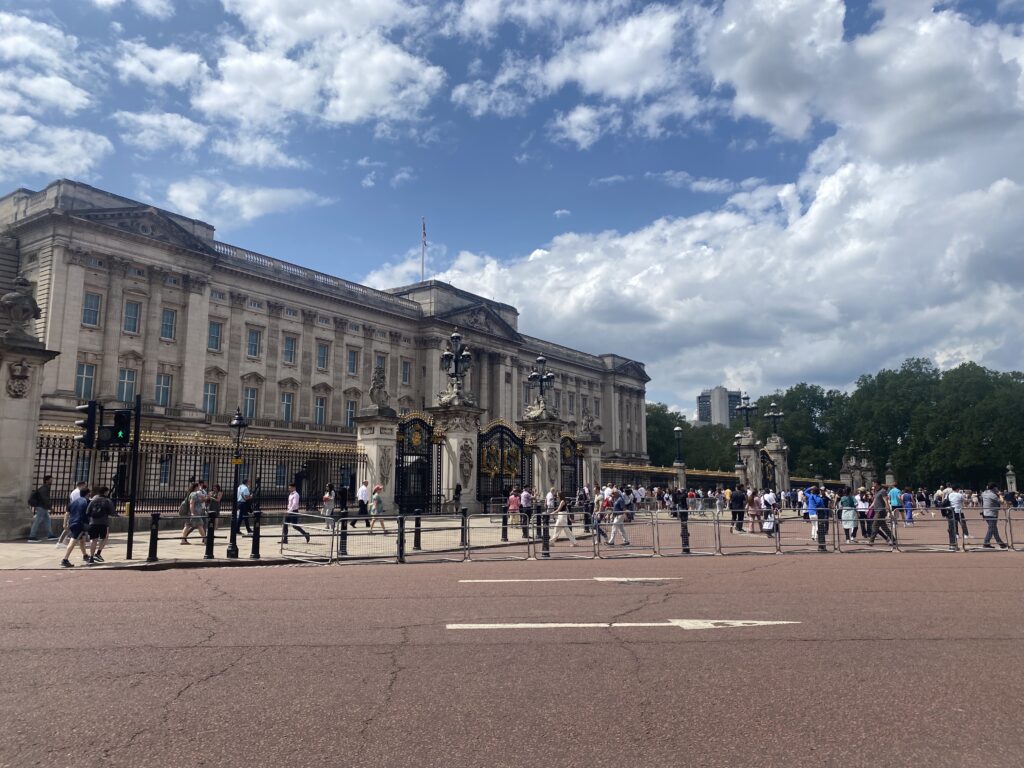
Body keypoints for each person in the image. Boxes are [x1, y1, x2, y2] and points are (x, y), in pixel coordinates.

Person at [61, 487, 92, 567]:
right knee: (73, 541)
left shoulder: (73, 502)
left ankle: (85, 555)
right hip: (80, 523)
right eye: (89, 493)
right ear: (88, 494)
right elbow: (89, 513)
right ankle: (65, 559)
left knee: (82, 540)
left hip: (72, 522)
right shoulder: (87, 502)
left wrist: (65, 524)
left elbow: (67, 513)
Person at [85, 486, 116, 563]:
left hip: (93, 522)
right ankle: (98, 553)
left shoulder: (93, 500)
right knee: (104, 538)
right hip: (103, 522)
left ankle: (91, 557)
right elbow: (112, 512)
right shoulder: (107, 501)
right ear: (106, 492)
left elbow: (87, 512)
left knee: (93, 540)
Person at [27, 475, 57, 542]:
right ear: (46, 481)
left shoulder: (45, 488)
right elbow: (45, 499)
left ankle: (50, 535)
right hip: (41, 506)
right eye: (50, 480)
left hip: (42, 506)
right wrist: (50, 507)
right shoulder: (44, 488)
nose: (52, 481)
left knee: (47, 520)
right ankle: (31, 536)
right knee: (37, 521)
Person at [980, 483, 1008, 549]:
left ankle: (1001, 543)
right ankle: (986, 542)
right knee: (992, 529)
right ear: (994, 488)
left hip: (986, 513)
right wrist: (1000, 495)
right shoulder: (993, 495)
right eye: (996, 488)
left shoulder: (984, 493)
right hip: (991, 514)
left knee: (994, 529)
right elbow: (1002, 502)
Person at [805, 485, 829, 551]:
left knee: (813, 525)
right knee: (817, 525)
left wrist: (810, 487)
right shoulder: (818, 497)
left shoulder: (810, 496)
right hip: (815, 512)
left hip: (810, 513)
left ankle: (813, 536)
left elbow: (805, 492)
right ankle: (816, 537)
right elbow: (820, 504)